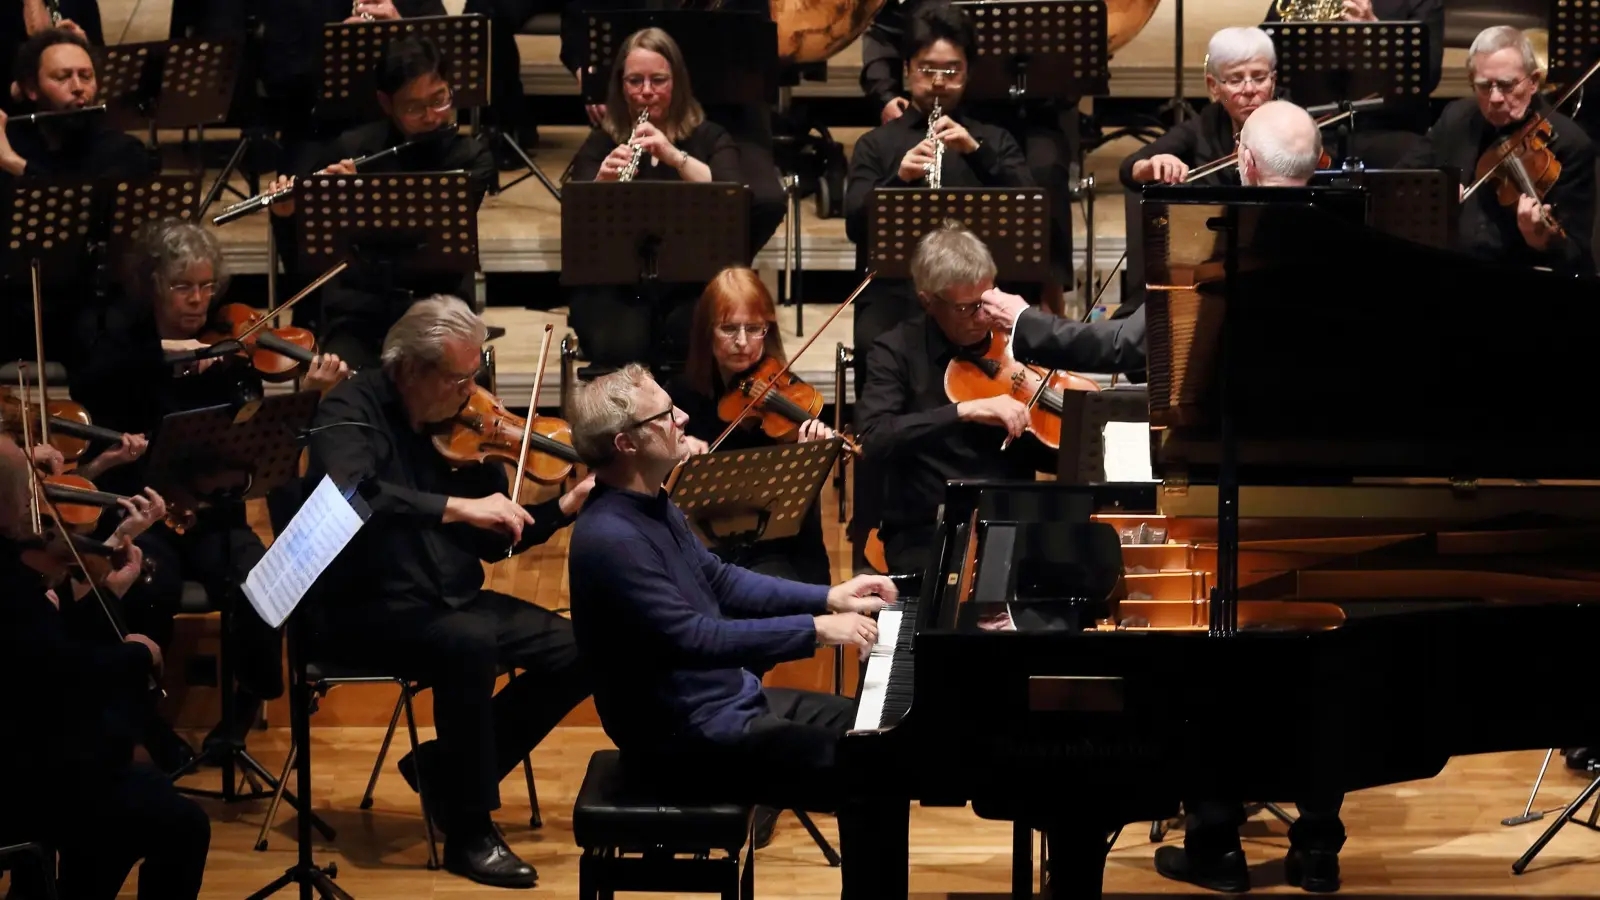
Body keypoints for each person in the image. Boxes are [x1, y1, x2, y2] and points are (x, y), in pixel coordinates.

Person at [983, 100, 1350, 895]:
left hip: (1220, 490)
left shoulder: (1222, 242)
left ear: (1246, 167)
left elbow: (1125, 344)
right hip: (1325, 493)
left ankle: (1217, 843)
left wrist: (1027, 325)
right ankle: (1317, 846)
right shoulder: (1352, 247)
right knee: (1326, 665)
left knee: (1213, 664)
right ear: (1318, 166)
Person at [566, 362, 906, 899]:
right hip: (684, 741)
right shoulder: (611, 539)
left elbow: (721, 581)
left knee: (882, 740)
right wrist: (818, 629)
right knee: (872, 775)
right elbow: (698, 639)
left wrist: (829, 594)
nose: (681, 417)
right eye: (664, 413)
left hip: (726, 705)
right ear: (627, 444)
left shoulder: (654, 504)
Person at [302, 294, 593, 889]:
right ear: (409, 369)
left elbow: (491, 546)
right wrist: (457, 506)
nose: (470, 393)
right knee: (467, 645)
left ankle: (443, 773)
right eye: (459, 379)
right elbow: (359, 495)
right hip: (365, 608)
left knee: (583, 649)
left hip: (447, 601)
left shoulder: (460, 433)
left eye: (475, 376)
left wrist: (562, 508)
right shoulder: (347, 411)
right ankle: (469, 830)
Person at [71, 218, 352, 756]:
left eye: (205, 286)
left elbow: (256, 434)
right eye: (182, 287)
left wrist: (308, 393)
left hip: (215, 512)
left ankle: (243, 708)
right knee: (152, 585)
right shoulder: (119, 342)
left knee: (259, 578)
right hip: (144, 512)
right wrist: (174, 353)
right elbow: (95, 378)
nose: (198, 300)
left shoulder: (228, 350)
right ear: (153, 285)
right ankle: (147, 723)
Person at [844, 1, 1032, 570]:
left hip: (972, 308)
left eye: (951, 70)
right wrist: (894, 180)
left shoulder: (992, 140)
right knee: (887, 363)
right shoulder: (878, 147)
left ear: (968, 73)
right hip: (905, 304)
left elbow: (1031, 215)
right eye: (928, 70)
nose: (939, 82)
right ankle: (882, 527)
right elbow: (855, 219)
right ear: (907, 72)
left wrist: (975, 156)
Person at [0, 435, 211, 900]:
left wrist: (109, 592)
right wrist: (139, 654)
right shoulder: (11, 583)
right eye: (26, 490)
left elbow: (45, 651)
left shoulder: (15, 571)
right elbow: (63, 673)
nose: (38, 502)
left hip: (29, 742)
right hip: (19, 774)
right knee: (181, 823)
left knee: (136, 782)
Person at [266, 33, 496, 369]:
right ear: (387, 104)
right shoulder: (351, 148)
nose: (432, 117)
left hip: (438, 308)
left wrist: (358, 198)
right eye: (414, 107)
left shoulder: (471, 159)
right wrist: (288, 214)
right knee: (336, 378)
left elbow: (424, 235)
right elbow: (308, 264)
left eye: (440, 99)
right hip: (361, 312)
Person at [853, 220, 1055, 575]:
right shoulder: (895, 351)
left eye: (988, 300)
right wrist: (963, 411)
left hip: (1011, 523)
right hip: (927, 533)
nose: (983, 317)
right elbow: (873, 436)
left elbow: (1050, 454)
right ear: (927, 301)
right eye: (967, 307)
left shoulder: (1018, 343)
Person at [564, 26, 742, 373]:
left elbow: (731, 191)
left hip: (692, 283)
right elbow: (576, 220)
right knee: (620, 340)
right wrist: (600, 183)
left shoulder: (709, 137)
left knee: (697, 331)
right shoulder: (602, 143)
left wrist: (675, 157)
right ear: (621, 85)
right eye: (635, 81)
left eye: (658, 80)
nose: (646, 92)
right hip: (617, 286)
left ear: (677, 82)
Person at [666, 266, 838, 586]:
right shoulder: (679, 396)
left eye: (754, 328)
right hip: (702, 547)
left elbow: (800, 510)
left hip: (775, 549)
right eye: (729, 328)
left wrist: (808, 455)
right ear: (707, 331)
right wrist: (674, 448)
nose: (742, 342)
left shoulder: (788, 395)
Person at [0, 27, 153, 365]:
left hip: (86, 301)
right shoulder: (10, 142)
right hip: (14, 300)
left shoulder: (121, 151)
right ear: (30, 89)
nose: (78, 87)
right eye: (62, 77)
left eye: (86, 76)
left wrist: (16, 166)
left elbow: (82, 208)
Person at [1399, 25, 1595, 276]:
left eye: (1506, 85)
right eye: (1483, 86)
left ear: (1533, 82)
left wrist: (1544, 241)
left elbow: (1578, 258)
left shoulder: (1570, 145)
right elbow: (1401, 179)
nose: (1495, 98)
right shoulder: (1456, 118)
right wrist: (1432, 197)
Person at [1261, 0, 1443, 167]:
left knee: (1418, 154)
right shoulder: (1299, 3)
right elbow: (1265, 56)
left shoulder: (1419, 2)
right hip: (1314, 127)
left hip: (1387, 128)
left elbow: (1429, 75)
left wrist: (1376, 34)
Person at [1120, 27, 1279, 190]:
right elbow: (1129, 167)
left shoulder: (1295, 123)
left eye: (1259, 78)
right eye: (1235, 80)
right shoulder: (1207, 124)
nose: (1249, 89)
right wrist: (1149, 167)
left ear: (1272, 82)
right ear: (1214, 87)